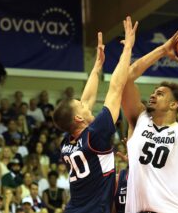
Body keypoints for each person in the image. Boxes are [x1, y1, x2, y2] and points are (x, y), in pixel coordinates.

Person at [121, 28, 178, 212]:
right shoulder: (139, 119)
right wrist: (163, 50)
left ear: (174, 105)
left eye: (161, 93)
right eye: (154, 92)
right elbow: (126, 78)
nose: (153, 95)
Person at [52, 16, 138, 213]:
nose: (86, 105)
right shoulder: (95, 134)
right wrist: (127, 49)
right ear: (79, 118)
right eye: (82, 107)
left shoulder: (67, 143)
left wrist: (97, 66)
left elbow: (86, 99)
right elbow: (116, 88)